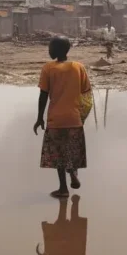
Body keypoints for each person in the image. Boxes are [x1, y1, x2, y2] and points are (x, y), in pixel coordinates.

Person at [34, 37, 93, 198]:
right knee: (73, 150)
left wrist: (39, 118)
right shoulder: (78, 67)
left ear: (58, 49)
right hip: (74, 118)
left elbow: (43, 96)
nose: (49, 50)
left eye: (51, 47)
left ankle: (63, 189)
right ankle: (73, 173)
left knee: (59, 155)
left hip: (56, 120)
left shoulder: (48, 68)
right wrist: (82, 115)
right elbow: (86, 95)